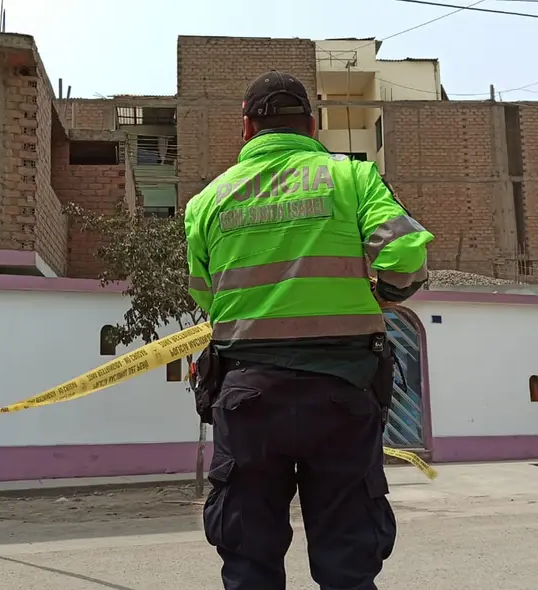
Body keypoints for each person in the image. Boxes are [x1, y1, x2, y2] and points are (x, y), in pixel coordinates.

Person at [185, 70, 434, 590]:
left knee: (248, 557)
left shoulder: (207, 201)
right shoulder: (353, 178)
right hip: (341, 392)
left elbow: (205, 296)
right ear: (313, 125)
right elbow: (405, 252)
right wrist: (384, 296)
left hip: (247, 394)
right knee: (347, 555)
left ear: (247, 126)